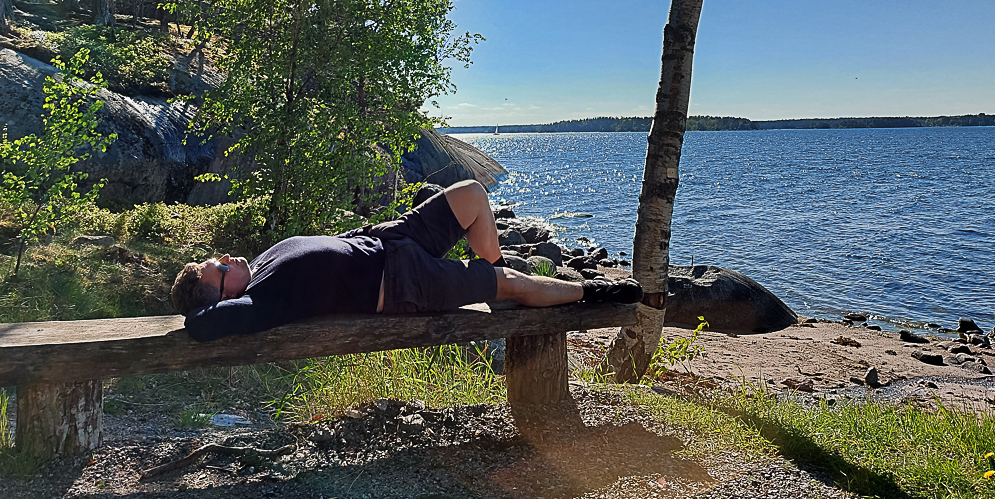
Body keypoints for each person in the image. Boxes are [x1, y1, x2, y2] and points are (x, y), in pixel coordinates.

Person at [170, 180, 642, 342]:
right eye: (222, 269)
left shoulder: (262, 263)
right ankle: (591, 290)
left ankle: (493, 273)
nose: (228, 258)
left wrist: (376, 232)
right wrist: (206, 307)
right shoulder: (260, 302)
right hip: (403, 282)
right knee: (513, 282)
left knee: (472, 193)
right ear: (224, 296)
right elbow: (201, 325)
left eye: (218, 259)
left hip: (390, 238)